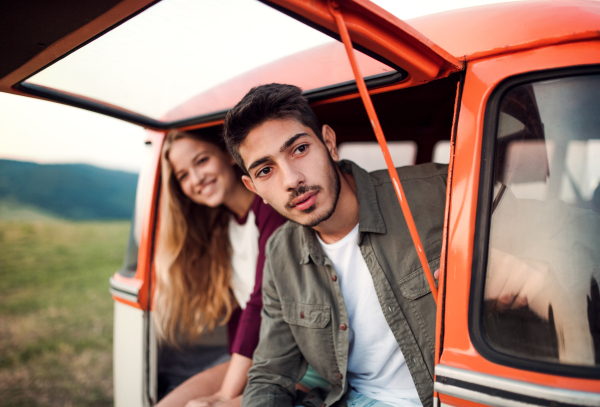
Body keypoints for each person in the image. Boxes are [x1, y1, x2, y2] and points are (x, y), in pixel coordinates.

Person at [223, 84, 447, 407]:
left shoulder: (440, 191)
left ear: (329, 142)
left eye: (299, 149)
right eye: (266, 170)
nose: (291, 180)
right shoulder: (280, 252)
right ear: (254, 187)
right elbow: (271, 373)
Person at [153, 129, 287, 407]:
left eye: (201, 161)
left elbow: (261, 302)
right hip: (258, 360)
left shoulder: (270, 209)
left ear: (227, 153)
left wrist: (225, 395)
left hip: (296, 361)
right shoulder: (223, 228)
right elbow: (239, 313)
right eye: (183, 175)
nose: (196, 179)